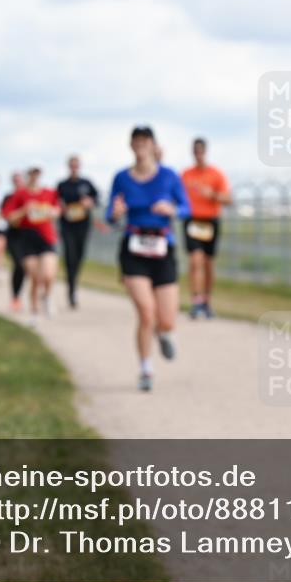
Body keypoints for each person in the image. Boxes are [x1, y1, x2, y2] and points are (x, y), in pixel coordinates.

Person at [106, 125, 191, 391]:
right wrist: (116, 212)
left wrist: (172, 208)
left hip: (162, 247)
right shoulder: (121, 177)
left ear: (154, 146)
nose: (141, 147)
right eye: (136, 142)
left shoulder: (169, 176)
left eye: (145, 142)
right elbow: (110, 213)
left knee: (165, 319)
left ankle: (164, 332)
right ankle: (145, 369)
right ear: (131, 146)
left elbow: (187, 208)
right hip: (134, 248)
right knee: (146, 312)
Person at [181, 137, 232, 319]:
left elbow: (228, 199)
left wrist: (212, 195)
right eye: (195, 151)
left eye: (201, 151)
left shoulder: (216, 174)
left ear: (205, 152)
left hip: (210, 221)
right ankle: (196, 300)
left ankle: (207, 300)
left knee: (208, 263)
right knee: (195, 260)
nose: (198, 154)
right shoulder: (186, 174)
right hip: (192, 221)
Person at [7, 167, 60, 325]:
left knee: (49, 274)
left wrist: (51, 212)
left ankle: (48, 297)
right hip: (26, 239)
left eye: (37, 173)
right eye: (32, 173)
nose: (35, 176)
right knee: (35, 278)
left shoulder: (49, 193)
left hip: (46, 237)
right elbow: (10, 217)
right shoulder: (20, 194)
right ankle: (34, 312)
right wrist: (25, 210)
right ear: (27, 175)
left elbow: (57, 210)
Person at [56, 155, 100, 309]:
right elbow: (55, 202)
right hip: (67, 225)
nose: (74, 167)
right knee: (70, 256)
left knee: (79, 256)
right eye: (72, 165)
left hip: (83, 225)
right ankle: (71, 289)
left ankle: (74, 281)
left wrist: (90, 202)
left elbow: (97, 199)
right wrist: (60, 206)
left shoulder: (86, 183)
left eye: (76, 165)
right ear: (68, 166)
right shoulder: (62, 185)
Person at [2, 172, 28, 312]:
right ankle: (15, 297)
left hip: (30, 236)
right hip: (14, 236)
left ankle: (38, 296)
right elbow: (8, 217)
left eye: (20, 180)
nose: (17, 183)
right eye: (15, 181)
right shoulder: (9, 198)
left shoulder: (29, 197)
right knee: (19, 265)